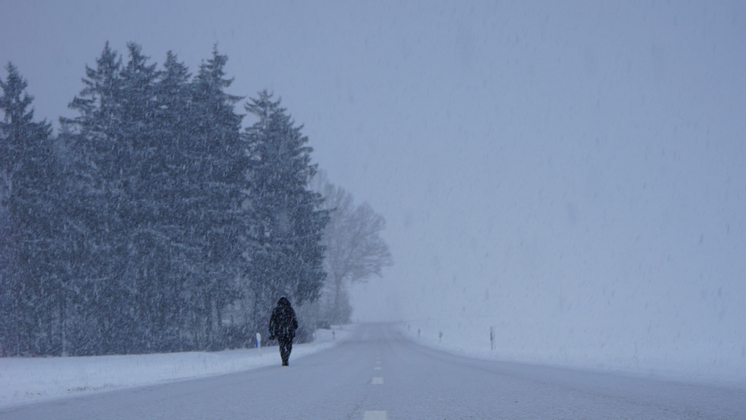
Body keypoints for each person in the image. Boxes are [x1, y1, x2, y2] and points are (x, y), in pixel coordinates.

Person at [268, 297, 298, 366]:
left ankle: (283, 358)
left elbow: (272, 321)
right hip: (289, 331)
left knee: (281, 345)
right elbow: (294, 320)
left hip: (279, 331)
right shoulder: (290, 310)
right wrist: (294, 326)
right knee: (289, 346)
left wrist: (271, 330)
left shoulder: (276, 310)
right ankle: (286, 356)